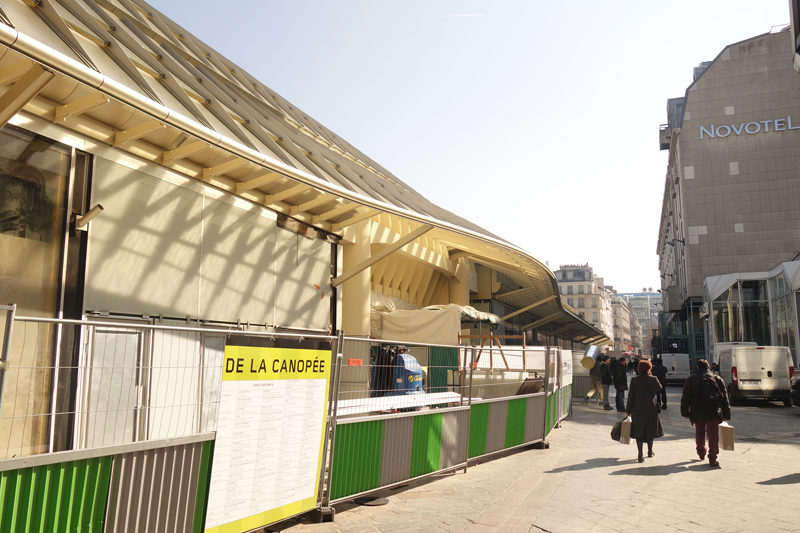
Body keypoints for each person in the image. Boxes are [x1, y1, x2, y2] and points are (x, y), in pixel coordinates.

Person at [680, 359, 731, 468]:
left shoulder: (691, 379)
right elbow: (725, 398)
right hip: (713, 411)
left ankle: (701, 452)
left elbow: (686, 397)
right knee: (713, 434)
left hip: (697, 411)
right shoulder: (717, 379)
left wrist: (685, 412)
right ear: (708, 368)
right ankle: (712, 458)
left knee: (700, 431)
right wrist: (726, 414)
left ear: (697, 367)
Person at [626, 359, 664, 463]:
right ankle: (650, 451)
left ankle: (640, 454)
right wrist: (651, 375)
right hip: (650, 408)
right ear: (649, 368)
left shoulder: (634, 380)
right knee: (650, 428)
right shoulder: (653, 379)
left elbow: (631, 396)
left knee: (639, 430)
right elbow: (659, 388)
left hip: (637, 408)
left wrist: (628, 410)